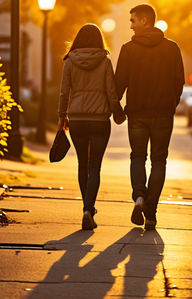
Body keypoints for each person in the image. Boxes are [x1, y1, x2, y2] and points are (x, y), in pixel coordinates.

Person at [115, 4, 185, 230]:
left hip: (137, 114)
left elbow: (118, 84)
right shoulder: (172, 48)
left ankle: (139, 197)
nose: (131, 25)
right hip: (163, 114)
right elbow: (179, 81)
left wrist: (115, 110)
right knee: (159, 160)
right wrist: (170, 104)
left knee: (137, 156)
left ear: (144, 21)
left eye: (133, 20)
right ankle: (151, 212)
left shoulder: (128, 49)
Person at [58, 23, 126, 230]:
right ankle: (89, 209)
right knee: (95, 165)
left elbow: (64, 92)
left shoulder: (69, 62)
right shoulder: (105, 62)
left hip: (77, 118)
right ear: (99, 40)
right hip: (99, 120)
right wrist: (117, 112)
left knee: (82, 165)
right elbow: (111, 91)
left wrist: (62, 116)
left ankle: (86, 209)